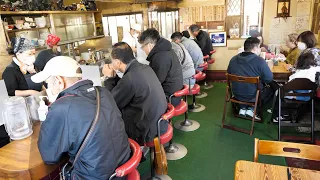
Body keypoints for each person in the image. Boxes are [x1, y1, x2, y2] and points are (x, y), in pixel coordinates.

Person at [31, 56, 130, 179]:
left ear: (59, 81)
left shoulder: (61, 108)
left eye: (48, 84)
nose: (48, 89)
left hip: (97, 176)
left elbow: (49, 156)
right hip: (124, 170)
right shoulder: (103, 92)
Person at [103, 42, 168, 145]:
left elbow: (113, 103)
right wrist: (114, 78)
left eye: (112, 61)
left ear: (117, 62)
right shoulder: (144, 68)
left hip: (147, 130)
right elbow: (126, 87)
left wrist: (108, 78)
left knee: (109, 120)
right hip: (159, 122)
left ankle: (124, 154)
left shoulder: (130, 78)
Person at [227, 37, 273, 118]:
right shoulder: (260, 61)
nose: (260, 49)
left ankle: (243, 107)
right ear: (255, 48)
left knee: (245, 87)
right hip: (253, 96)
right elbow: (269, 79)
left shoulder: (233, 59)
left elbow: (228, 73)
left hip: (236, 95)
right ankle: (252, 109)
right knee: (271, 89)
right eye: (259, 47)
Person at [138, 28, 183, 107]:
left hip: (170, 97)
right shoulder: (165, 50)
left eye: (142, 47)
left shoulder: (160, 57)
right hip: (175, 93)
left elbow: (155, 83)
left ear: (149, 45)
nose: (143, 50)